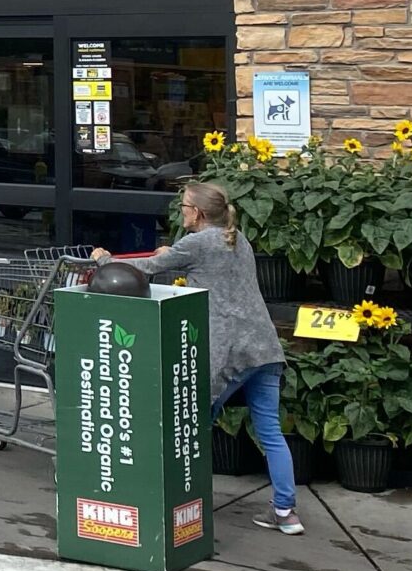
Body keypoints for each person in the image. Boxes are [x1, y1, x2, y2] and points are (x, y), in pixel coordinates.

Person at [91, 181, 300, 534]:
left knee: (192, 426)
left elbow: (143, 271)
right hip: (264, 346)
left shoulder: (197, 242)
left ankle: (183, 506)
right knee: (271, 433)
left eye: (185, 206)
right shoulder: (237, 237)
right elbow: (194, 263)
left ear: (198, 213)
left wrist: (103, 260)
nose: (181, 210)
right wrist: (172, 253)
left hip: (230, 351)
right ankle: (285, 513)